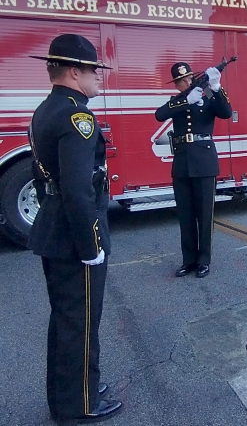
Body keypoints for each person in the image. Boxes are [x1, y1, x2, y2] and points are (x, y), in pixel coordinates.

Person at [28, 34, 123, 422]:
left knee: (66, 319)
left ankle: (73, 387)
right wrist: (91, 244)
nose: (97, 76)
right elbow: (79, 190)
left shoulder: (45, 109)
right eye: (92, 70)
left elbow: (44, 179)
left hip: (54, 226)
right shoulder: (76, 117)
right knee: (80, 322)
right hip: (74, 236)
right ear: (73, 72)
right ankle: (79, 405)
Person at [155, 62, 232, 278]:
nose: (187, 82)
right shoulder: (176, 102)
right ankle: (188, 260)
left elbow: (226, 112)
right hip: (182, 164)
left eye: (189, 78)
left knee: (205, 216)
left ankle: (204, 261)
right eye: (182, 80)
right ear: (176, 84)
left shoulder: (208, 99)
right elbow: (159, 115)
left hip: (205, 162)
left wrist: (216, 87)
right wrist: (186, 101)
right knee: (186, 215)